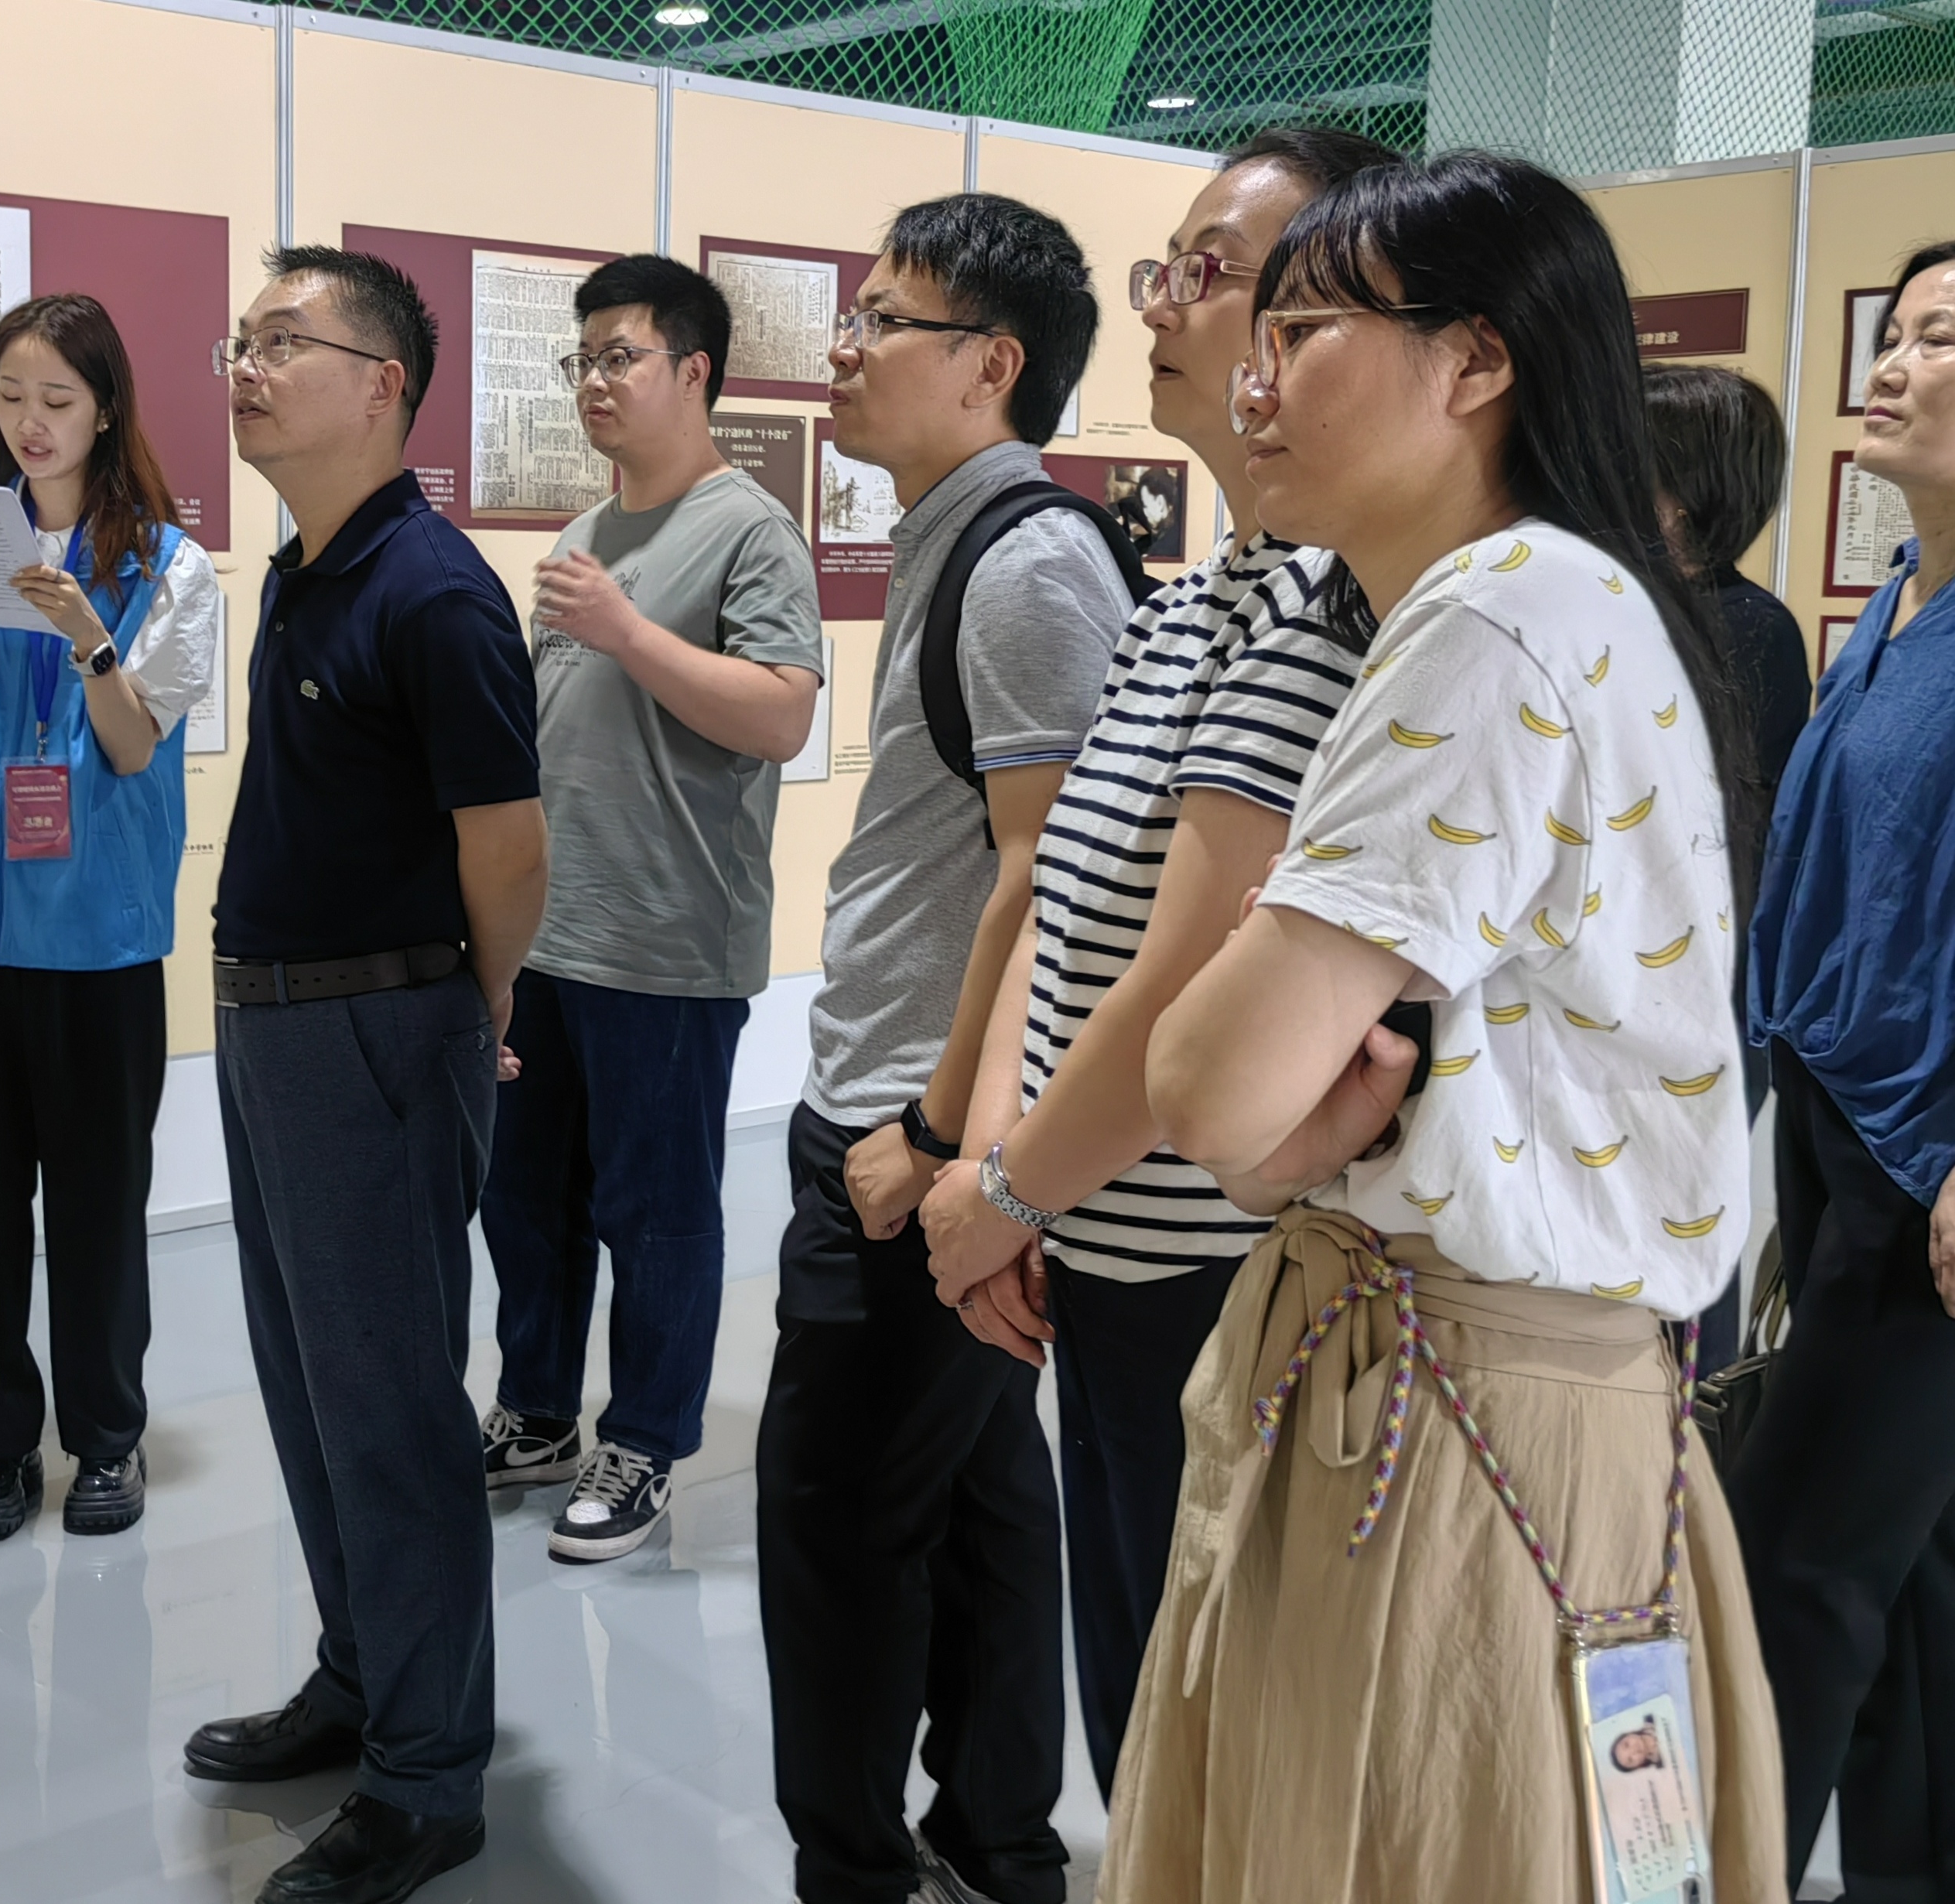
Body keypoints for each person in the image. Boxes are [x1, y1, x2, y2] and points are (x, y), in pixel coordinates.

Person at [1116, 151, 1785, 1901]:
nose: (1254, 378)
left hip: (1451, 1419)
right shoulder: (1562, 598)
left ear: (1475, 358)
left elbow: (1208, 1086)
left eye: (1304, 329)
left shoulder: (1492, 618)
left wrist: (1253, 1080)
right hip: (1493, 1384)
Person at [883, 123, 1395, 1803]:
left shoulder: (1337, 609)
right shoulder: (1180, 601)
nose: (1164, 304)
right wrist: (1003, 1176)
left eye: (1213, 273)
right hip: (1095, 1239)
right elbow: (1058, 895)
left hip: (1217, 1259)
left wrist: (1004, 1189)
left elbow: (1191, 972)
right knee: (1140, 1708)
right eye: (1164, 267)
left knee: (1216, 1732)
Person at [757, 193, 1136, 1904]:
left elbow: (1046, 878)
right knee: (981, 1492)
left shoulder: (1029, 564)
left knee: (833, 1516)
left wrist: (942, 1144)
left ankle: (854, 1872)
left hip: (914, 1141)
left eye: (880, 320)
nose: (841, 349)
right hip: (893, 1107)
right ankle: (994, 1843)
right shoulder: (955, 534)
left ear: (990, 363)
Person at [179, 245, 545, 1904]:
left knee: (391, 1413)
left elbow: (507, 851)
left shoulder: (434, 593)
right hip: (275, 1027)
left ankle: (426, 1775)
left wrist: (473, 1004)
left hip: (377, 1030)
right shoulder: (306, 570)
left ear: (383, 384)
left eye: (282, 342)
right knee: (310, 1388)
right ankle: (363, 1675)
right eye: (240, 342)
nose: (245, 367)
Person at [477, 254, 824, 1563]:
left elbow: (780, 714)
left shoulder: (749, 530)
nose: (594, 382)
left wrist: (626, 630)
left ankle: (645, 1440)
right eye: (582, 360)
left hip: (669, 943)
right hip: (549, 935)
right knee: (526, 1200)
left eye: (619, 356)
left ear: (694, 371)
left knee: (657, 1211)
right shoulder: (582, 534)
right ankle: (534, 1412)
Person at [0, 292, 219, 1549]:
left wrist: (87, 635)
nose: (31, 421)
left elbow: (128, 746)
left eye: (57, 399)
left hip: (97, 936)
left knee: (95, 1202)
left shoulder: (171, 569)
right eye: (11, 397)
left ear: (106, 409)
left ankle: (107, 1436)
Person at [1733, 238, 1955, 1904]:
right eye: (1896, 331)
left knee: (1789, 1568)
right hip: (1837, 1110)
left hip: (1922, 1156)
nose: (1890, 362)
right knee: (1916, 1584)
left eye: (1939, 339)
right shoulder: (1894, 594)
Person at [1645, 361, 1809, 1369]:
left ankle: (1682, 1438)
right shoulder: (1629, 603)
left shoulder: (1749, 629)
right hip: (1657, 978)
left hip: (1700, 988)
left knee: (1679, 1247)